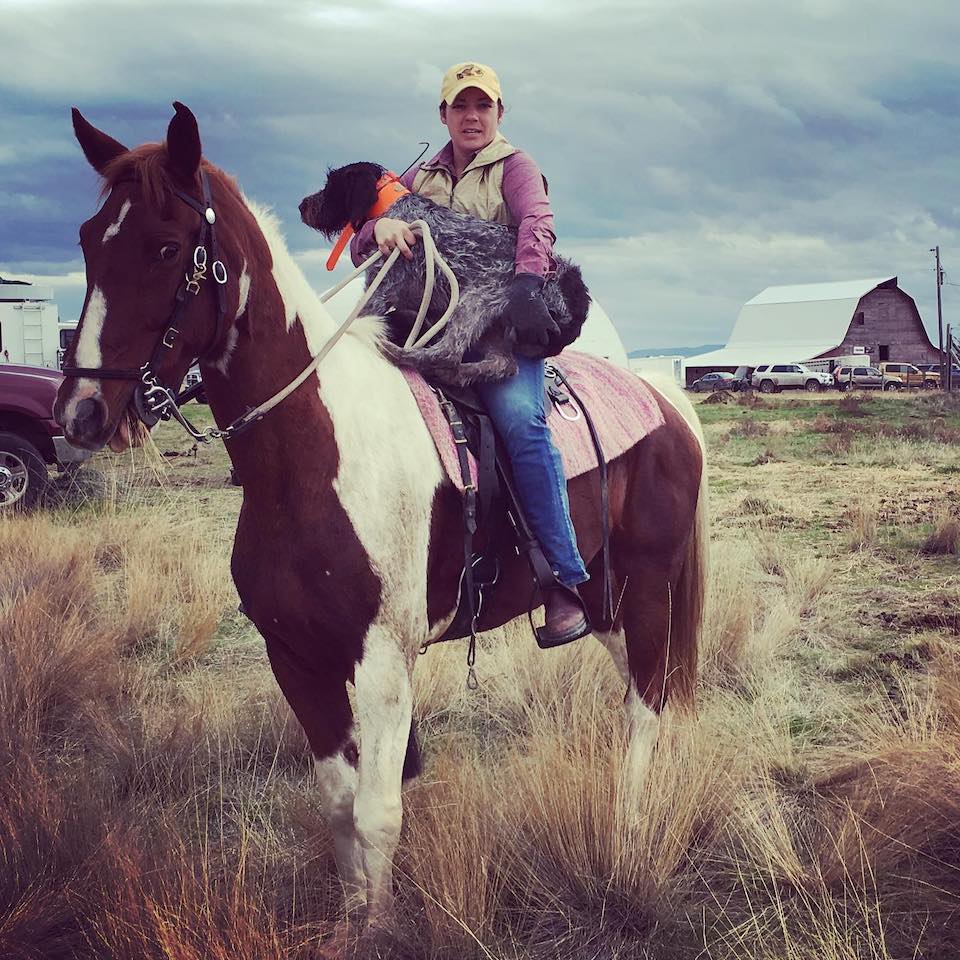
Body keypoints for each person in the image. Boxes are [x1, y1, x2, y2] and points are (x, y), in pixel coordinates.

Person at [350, 61, 590, 646]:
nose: (472, 116)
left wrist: (529, 284)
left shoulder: (516, 168)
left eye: (482, 106)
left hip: (503, 329)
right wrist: (374, 232)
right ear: (444, 115)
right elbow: (365, 240)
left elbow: (537, 222)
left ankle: (563, 581)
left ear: (499, 113)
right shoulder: (419, 175)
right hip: (428, 330)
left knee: (520, 422)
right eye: (461, 106)